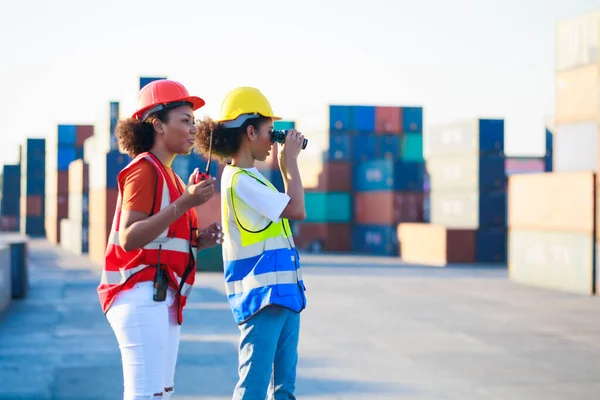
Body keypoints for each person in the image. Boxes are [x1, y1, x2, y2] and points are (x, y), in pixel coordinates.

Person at [97, 79, 223, 400]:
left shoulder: (173, 177)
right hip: (138, 295)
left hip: (162, 297)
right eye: (185, 120)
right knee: (146, 396)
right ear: (158, 125)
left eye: (193, 121)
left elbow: (164, 241)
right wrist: (186, 203)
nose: (194, 129)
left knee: (161, 395)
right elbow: (130, 237)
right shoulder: (144, 169)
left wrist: (200, 240)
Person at [195, 87, 307, 399]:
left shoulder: (254, 178)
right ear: (250, 130)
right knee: (253, 390)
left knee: (285, 391)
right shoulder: (239, 180)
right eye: (270, 132)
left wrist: (285, 166)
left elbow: (288, 207)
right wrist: (291, 163)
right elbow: (297, 209)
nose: (274, 140)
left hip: (284, 295)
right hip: (262, 298)